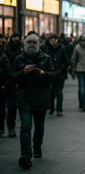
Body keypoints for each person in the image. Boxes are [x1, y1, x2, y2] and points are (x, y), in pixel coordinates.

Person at [11, 33, 56, 169]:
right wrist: (23, 72)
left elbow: (53, 75)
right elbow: (12, 77)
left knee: (39, 126)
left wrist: (44, 74)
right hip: (24, 98)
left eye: (34, 43)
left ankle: (37, 146)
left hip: (41, 98)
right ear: (24, 44)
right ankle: (26, 155)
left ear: (39, 44)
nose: (31, 45)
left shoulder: (46, 59)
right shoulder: (18, 59)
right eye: (29, 42)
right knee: (25, 126)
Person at [42, 34, 71, 116]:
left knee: (59, 92)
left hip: (60, 73)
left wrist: (64, 66)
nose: (53, 41)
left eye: (55, 39)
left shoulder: (62, 48)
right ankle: (51, 108)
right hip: (50, 74)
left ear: (57, 40)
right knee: (51, 93)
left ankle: (59, 109)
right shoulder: (46, 48)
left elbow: (66, 59)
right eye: (51, 40)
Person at [3, 32, 22, 137]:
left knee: (12, 105)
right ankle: (3, 127)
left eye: (17, 37)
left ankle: (11, 127)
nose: (15, 39)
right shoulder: (6, 49)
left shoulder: (22, 50)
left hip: (14, 80)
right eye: (14, 37)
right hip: (6, 80)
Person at [0, 36, 11, 137]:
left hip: (2, 84)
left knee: (3, 107)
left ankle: (1, 128)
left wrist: (5, 83)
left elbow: (8, 71)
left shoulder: (3, 55)